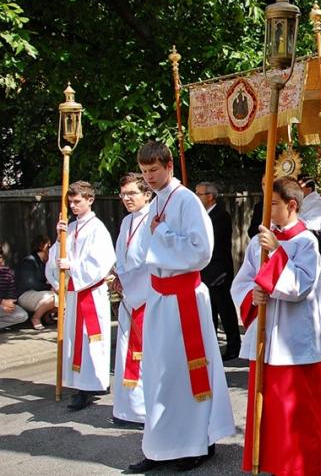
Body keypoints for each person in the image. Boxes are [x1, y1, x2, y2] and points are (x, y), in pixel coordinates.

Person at [127, 141, 235, 473]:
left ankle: (197, 443)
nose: (149, 178)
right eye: (144, 172)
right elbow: (147, 253)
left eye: (154, 170)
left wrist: (163, 233)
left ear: (170, 166)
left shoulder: (187, 201)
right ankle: (159, 446)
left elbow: (201, 251)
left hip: (185, 299)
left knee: (186, 374)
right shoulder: (156, 201)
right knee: (158, 374)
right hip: (160, 299)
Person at [231, 176, 321, 475]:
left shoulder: (306, 241)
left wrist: (278, 252)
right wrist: (252, 295)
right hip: (267, 338)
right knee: (272, 407)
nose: (267, 210)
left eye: (274, 204)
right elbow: (242, 281)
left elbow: (300, 286)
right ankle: (275, 460)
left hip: (296, 339)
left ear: (292, 205)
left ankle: (311, 462)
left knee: (301, 408)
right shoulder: (259, 241)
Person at [45, 181, 115, 410]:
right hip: (74, 293)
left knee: (91, 340)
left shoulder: (97, 229)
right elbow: (56, 259)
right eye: (70, 202)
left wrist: (72, 266)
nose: (73, 206)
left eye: (77, 201)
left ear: (90, 200)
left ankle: (89, 386)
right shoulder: (71, 227)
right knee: (75, 340)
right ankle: (84, 382)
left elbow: (101, 262)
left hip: (90, 293)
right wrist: (59, 239)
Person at [112, 173, 152, 426]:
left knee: (145, 354)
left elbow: (151, 260)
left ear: (146, 195)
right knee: (126, 351)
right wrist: (118, 274)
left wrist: (128, 282)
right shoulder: (127, 221)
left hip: (146, 296)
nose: (126, 198)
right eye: (123, 194)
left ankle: (144, 410)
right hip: (130, 294)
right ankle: (128, 408)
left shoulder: (154, 220)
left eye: (132, 193)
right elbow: (122, 254)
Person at [196, 181, 241, 361]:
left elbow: (210, 240)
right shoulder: (201, 216)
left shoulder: (221, 215)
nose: (196, 197)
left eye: (199, 194)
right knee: (209, 311)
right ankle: (211, 346)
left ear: (210, 196)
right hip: (204, 270)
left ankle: (234, 346)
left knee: (225, 310)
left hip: (218, 271)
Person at [15, 235, 56, 329]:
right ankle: (36, 318)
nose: (50, 248)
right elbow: (30, 282)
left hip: (37, 293)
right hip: (25, 294)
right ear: (42, 246)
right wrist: (49, 288)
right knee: (52, 297)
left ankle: (45, 315)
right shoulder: (29, 261)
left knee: (63, 297)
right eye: (48, 246)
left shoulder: (44, 263)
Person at [0, 250, 27, 330]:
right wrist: (2, 302)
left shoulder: (7, 272)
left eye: (0, 257)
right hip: (2, 302)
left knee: (22, 315)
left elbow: (11, 291)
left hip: (2, 306)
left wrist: (10, 302)